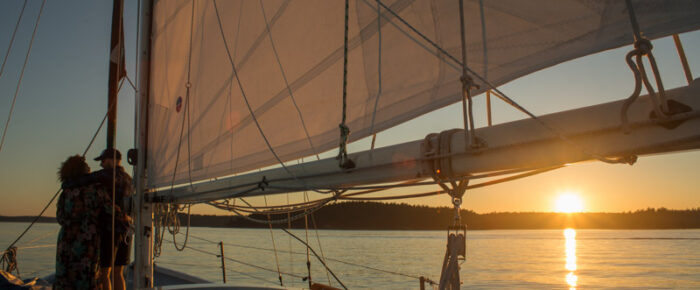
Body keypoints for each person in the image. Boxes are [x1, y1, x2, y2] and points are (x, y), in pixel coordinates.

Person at [55, 155, 114, 289]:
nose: (89, 167)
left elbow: (60, 217)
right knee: (86, 278)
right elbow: (110, 210)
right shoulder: (95, 189)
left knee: (65, 278)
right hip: (87, 240)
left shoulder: (66, 191)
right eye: (86, 165)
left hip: (66, 239)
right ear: (81, 169)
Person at [92, 148, 133, 290]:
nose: (101, 164)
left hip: (109, 229)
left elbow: (84, 180)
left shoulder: (106, 176)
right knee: (118, 272)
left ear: (110, 159)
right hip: (126, 230)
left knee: (104, 272)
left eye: (102, 161)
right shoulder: (128, 178)